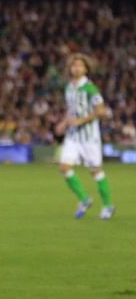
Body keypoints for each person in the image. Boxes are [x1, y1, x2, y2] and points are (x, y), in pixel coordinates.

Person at [54, 53, 114, 219]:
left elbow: (101, 110)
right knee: (64, 167)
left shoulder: (90, 88)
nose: (76, 68)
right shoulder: (69, 87)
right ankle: (84, 199)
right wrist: (63, 123)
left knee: (95, 171)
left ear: (86, 69)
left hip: (89, 137)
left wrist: (82, 120)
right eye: (74, 65)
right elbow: (71, 110)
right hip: (73, 137)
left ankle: (108, 205)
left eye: (80, 65)